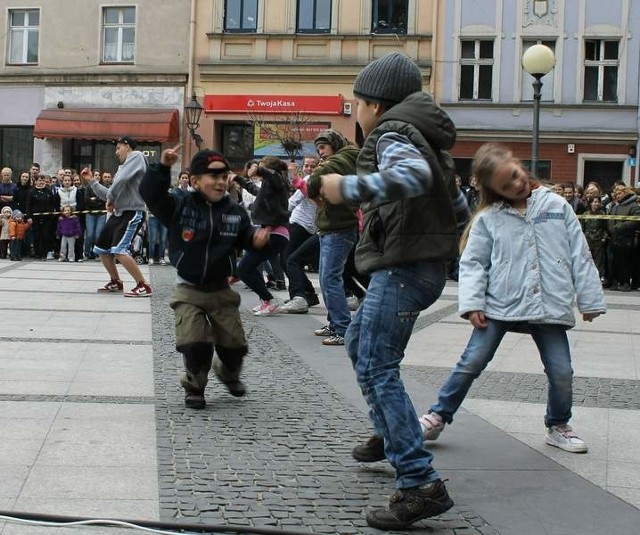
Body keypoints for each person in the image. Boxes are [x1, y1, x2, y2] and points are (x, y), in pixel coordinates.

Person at [320, 52, 469, 529]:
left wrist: (347, 187)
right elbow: (457, 208)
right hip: (420, 266)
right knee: (359, 341)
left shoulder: (392, 133)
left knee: (377, 366)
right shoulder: (429, 140)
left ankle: (418, 483)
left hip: (401, 268)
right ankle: (392, 433)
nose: (354, 114)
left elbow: (411, 179)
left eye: (355, 105)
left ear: (374, 105)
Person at [418, 142, 606, 456]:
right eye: (506, 185)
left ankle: (558, 425)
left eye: (517, 175)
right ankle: (438, 415)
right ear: (494, 190)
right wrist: (472, 303)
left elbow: (579, 254)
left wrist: (589, 299)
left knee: (561, 371)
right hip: (499, 304)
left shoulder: (557, 206)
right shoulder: (489, 218)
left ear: (521, 166)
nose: (517, 185)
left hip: (549, 304)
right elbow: (474, 262)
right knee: (472, 361)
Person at [139, 146, 268, 409]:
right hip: (188, 289)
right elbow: (151, 195)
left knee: (234, 346)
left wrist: (255, 238)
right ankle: (195, 386)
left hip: (221, 289)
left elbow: (246, 235)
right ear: (195, 181)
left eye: (224, 176)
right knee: (193, 341)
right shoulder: (180, 205)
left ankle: (228, 374)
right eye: (213, 177)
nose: (221, 182)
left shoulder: (235, 211)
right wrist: (162, 168)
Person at [306, 130, 360, 345]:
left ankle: (343, 328)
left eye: (323, 147)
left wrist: (314, 190)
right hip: (333, 227)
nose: (320, 152)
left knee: (330, 279)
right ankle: (335, 323)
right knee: (327, 278)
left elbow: (313, 182)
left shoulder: (341, 159)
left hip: (339, 227)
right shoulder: (342, 159)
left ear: (335, 145)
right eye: (318, 148)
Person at [80, 136, 152, 297]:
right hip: (119, 213)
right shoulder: (123, 168)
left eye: (118, 148)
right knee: (102, 249)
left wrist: (111, 198)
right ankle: (116, 281)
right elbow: (109, 194)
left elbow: (117, 185)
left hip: (133, 211)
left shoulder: (137, 157)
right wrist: (92, 182)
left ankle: (143, 285)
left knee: (120, 250)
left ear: (127, 146)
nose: (116, 152)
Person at [234, 156, 291, 315]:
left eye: (260, 167)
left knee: (244, 269)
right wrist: (238, 178)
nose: (257, 170)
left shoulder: (276, 181)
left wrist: (260, 170)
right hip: (271, 231)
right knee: (248, 267)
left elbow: (271, 176)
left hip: (274, 233)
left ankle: (269, 300)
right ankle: (266, 300)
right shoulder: (268, 186)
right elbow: (255, 190)